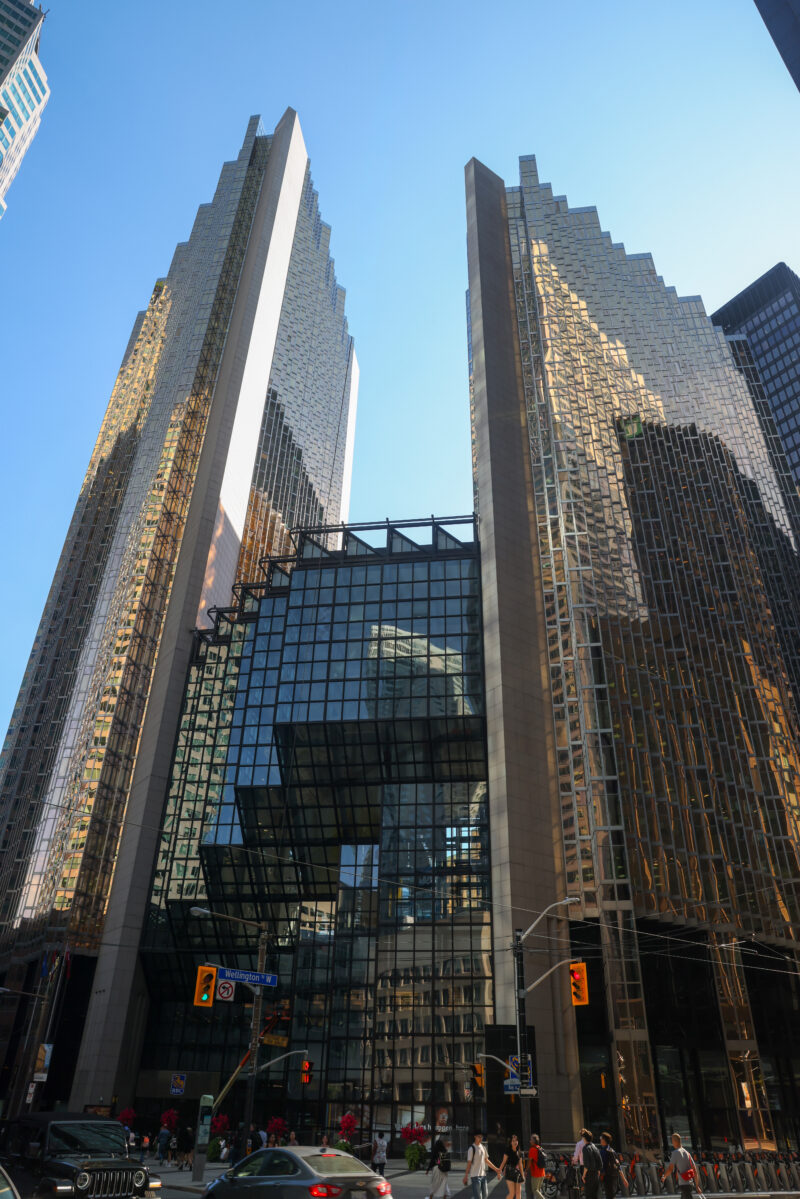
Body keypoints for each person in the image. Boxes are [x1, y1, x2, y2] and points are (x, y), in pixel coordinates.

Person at [463, 1130, 499, 1199]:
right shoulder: (471, 1148)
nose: (480, 1138)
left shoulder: (483, 1147)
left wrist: (496, 1169)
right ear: (475, 1137)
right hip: (475, 1176)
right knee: (478, 1197)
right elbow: (469, 1163)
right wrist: (466, 1176)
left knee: (485, 1195)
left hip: (483, 1176)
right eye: (479, 1137)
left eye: (481, 1137)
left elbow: (486, 1160)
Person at [664, 1133, 699, 1199]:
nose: (672, 1143)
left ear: (675, 1141)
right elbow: (695, 1170)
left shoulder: (675, 1153)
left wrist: (664, 1176)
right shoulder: (687, 1153)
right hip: (690, 1184)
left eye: (672, 1141)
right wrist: (697, 1186)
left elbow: (670, 1169)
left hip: (683, 1184)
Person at [496, 1135, 525, 1199]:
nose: (515, 1142)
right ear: (511, 1142)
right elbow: (503, 1162)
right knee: (512, 1193)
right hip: (509, 1172)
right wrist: (498, 1172)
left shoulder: (519, 1152)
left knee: (518, 1193)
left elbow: (520, 1165)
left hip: (517, 1173)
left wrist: (522, 1176)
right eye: (513, 1141)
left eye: (516, 1140)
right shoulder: (508, 1151)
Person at [581, 1131, 603, 1199]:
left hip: (589, 1174)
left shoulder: (585, 1148)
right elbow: (600, 1163)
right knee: (595, 1195)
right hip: (596, 1174)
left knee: (589, 1195)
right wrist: (598, 1172)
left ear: (584, 1138)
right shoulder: (595, 1147)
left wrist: (583, 1176)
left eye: (582, 1138)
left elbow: (586, 1165)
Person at [598, 1134, 620, 1199]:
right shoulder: (612, 1150)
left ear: (604, 1140)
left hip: (607, 1175)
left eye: (601, 1138)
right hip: (613, 1174)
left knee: (609, 1194)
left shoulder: (603, 1151)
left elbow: (602, 1164)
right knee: (611, 1194)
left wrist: (601, 1174)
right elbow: (618, 1164)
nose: (600, 1140)